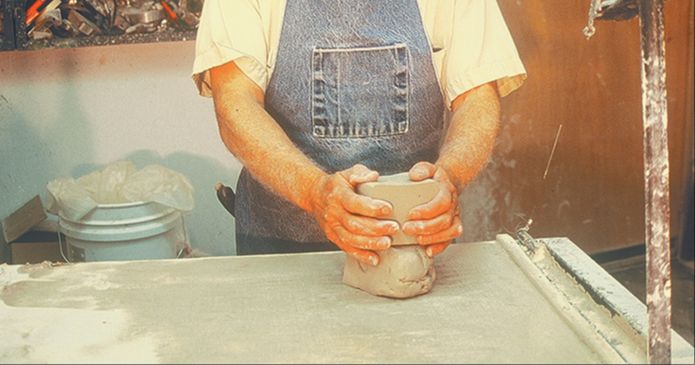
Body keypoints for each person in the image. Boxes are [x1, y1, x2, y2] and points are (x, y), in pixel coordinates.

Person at [192, 0, 526, 266]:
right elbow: (235, 104)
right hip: (281, 249)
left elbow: (477, 97)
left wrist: (451, 176)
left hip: (410, 247)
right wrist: (314, 192)